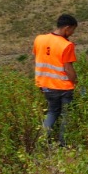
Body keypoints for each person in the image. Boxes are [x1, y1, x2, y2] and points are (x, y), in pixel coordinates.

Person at [33, 13, 78, 144]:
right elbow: (68, 69)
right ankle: (63, 145)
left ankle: (42, 142)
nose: (72, 33)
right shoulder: (66, 45)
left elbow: (40, 58)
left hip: (46, 86)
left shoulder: (39, 39)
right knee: (67, 116)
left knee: (52, 113)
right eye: (72, 30)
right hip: (64, 87)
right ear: (67, 28)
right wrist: (76, 81)